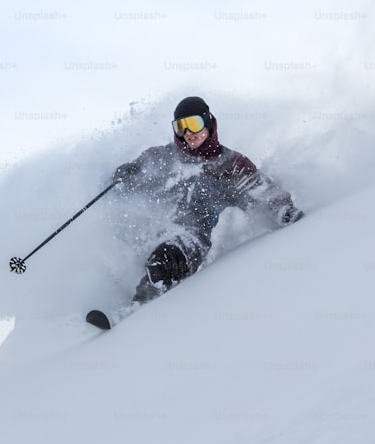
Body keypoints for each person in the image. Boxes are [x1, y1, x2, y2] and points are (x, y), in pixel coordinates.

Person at [112, 96, 304, 303]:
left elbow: (260, 189)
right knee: (135, 252)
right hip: (153, 227)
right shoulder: (162, 157)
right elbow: (131, 180)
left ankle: (138, 309)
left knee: (166, 259)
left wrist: (283, 210)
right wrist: (124, 175)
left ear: (208, 123)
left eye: (193, 124)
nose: (188, 134)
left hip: (191, 236)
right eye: (181, 127)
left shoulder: (230, 164)